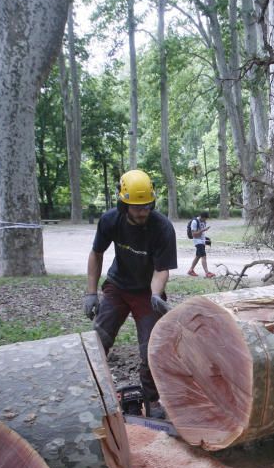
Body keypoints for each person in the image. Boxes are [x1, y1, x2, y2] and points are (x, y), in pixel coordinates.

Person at [83, 170, 177, 419]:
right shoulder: (110, 220)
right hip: (117, 286)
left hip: (146, 292)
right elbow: (96, 253)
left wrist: (156, 294)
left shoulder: (162, 228)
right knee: (98, 339)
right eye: (136, 208)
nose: (143, 212)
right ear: (123, 204)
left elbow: (162, 269)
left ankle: (152, 400)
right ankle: (89, 393)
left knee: (150, 348)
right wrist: (91, 292)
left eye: (147, 206)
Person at [186, 211, 214, 278]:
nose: (206, 220)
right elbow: (194, 235)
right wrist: (203, 230)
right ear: (202, 217)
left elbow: (202, 233)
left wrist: (206, 240)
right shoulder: (195, 222)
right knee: (203, 256)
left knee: (198, 256)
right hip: (197, 242)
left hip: (202, 241)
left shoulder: (203, 222)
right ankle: (207, 273)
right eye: (205, 218)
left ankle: (190, 270)